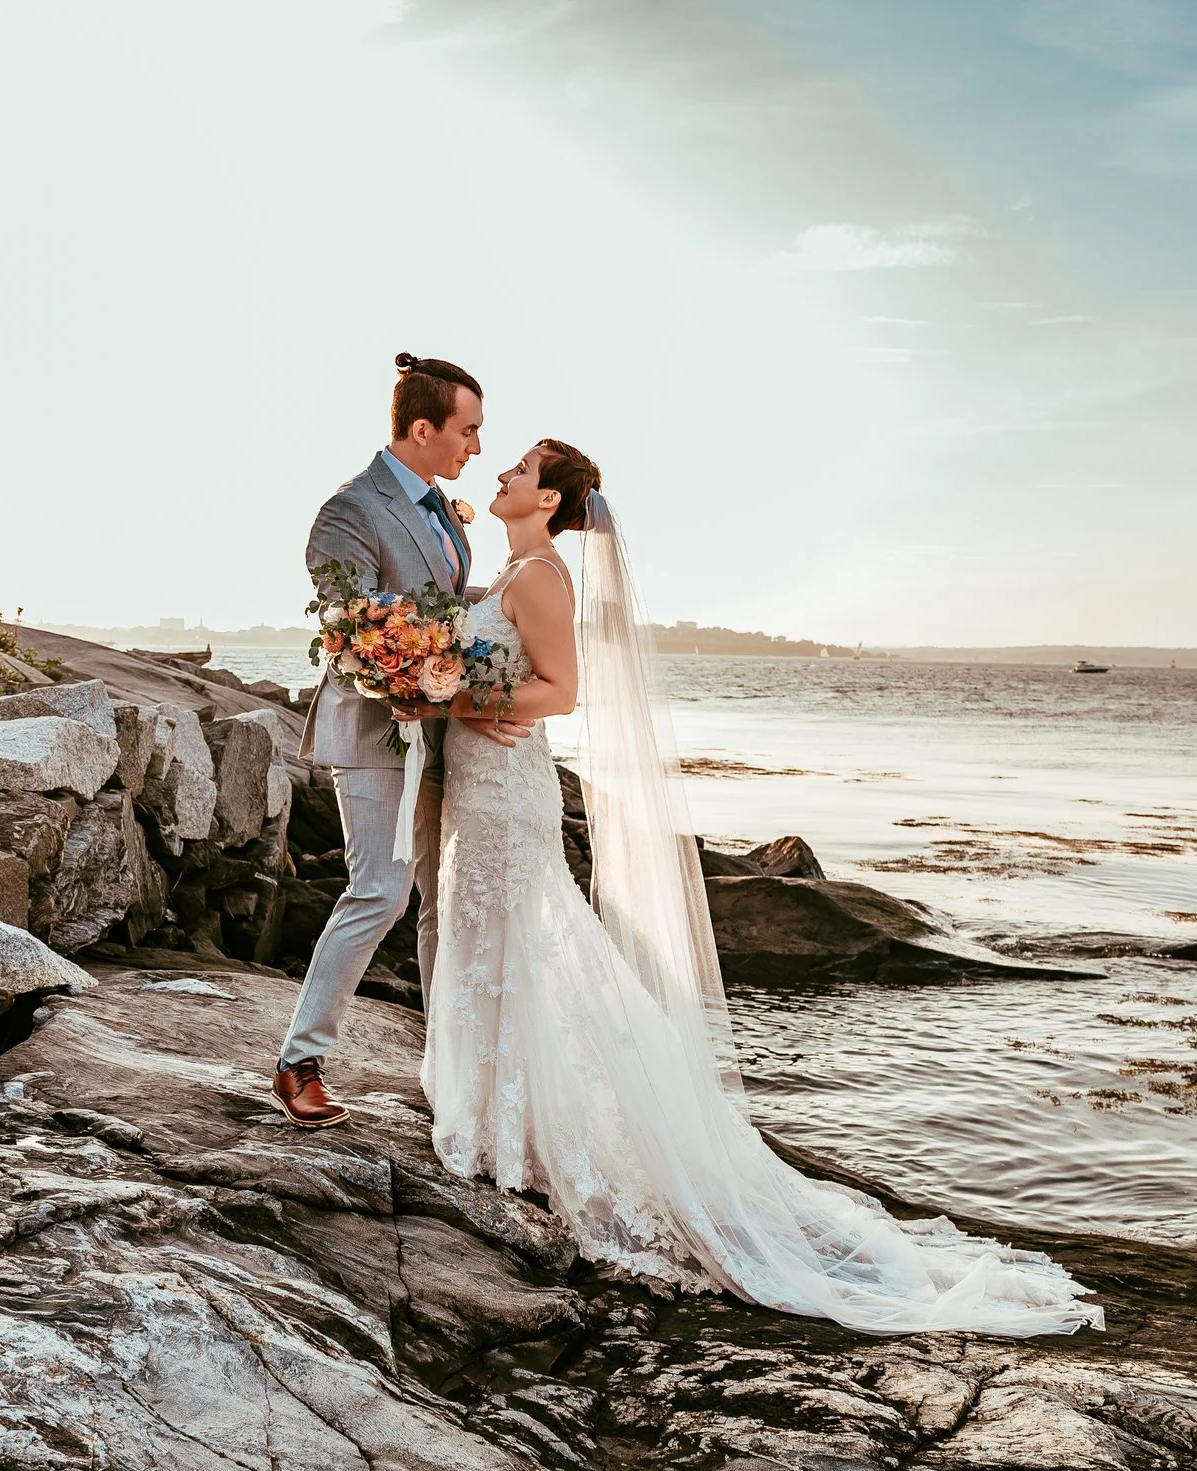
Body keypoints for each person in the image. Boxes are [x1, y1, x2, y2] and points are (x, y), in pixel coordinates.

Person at [418, 440, 1105, 1336]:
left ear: (547, 499)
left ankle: (516, 1132)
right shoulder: (508, 570)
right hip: (480, 788)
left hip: (508, 791)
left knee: (524, 939)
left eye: (520, 467)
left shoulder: (541, 577)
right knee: (500, 943)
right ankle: (494, 1118)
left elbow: (565, 691)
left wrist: (465, 703)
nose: (502, 472)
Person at [273, 353, 529, 1128]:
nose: (477, 448)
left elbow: (445, 608)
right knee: (378, 890)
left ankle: (444, 1068)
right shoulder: (347, 511)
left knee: (434, 905)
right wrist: (433, 680)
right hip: (377, 733)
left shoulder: (444, 512)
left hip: (442, 736)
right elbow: (353, 630)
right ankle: (297, 1062)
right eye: (469, 429)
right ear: (423, 427)